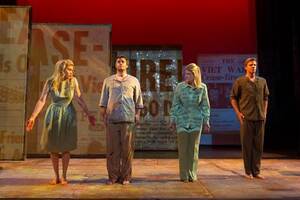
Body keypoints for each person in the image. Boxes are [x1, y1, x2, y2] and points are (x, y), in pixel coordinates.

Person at [26, 59, 96, 185]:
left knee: (66, 147)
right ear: (62, 69)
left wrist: (88, 114)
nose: (72, 71)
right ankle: (56, 176)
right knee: (53, 147)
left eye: (72, 69)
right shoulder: (50, 81)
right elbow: (42, 100)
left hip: (68, 114)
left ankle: (64, 176)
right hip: (53, 114)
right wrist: (33, 117)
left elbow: (79, 99)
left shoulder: (73, 81)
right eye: (69, 69)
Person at [99, 55, 143, 185]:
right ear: (116, 64)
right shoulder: (108, 81)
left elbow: (138, 99)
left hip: (128, 118)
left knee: (127, 150)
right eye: (118, 61)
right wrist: (103, 116)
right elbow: (103, 100)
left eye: (123, 61)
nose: (120, 63)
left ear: (127, 65)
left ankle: (126, 177)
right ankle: (113, 176)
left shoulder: (134, 81)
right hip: (112, 118)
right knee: (112, 150)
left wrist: (138, 114)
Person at [170, 63, 210, 183]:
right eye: (185, 74)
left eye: (188, 74)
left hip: (196, 121)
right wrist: (172, 119)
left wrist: (206, 121)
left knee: (193, 150)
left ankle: (192, 175)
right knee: (183, 150)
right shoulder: (179, 87)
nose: (186, 76)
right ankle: (183, 176)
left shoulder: (202, 87)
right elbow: (175, 104)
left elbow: (205, 105)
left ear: (195, 75)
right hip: (182, 120)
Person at [230, 57, 269, 179]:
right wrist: (238, 113)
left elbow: (265, 98)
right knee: (247, 146)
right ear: (245, 67)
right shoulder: (240, 81)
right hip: (246, 118)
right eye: (251, 65)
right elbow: (233, 98)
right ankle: (248, 172)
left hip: (259, 118)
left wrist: (265, 112)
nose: (253, 67)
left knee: (258, 145)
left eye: (255, 65)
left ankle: (256, 171)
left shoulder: (262, 81)